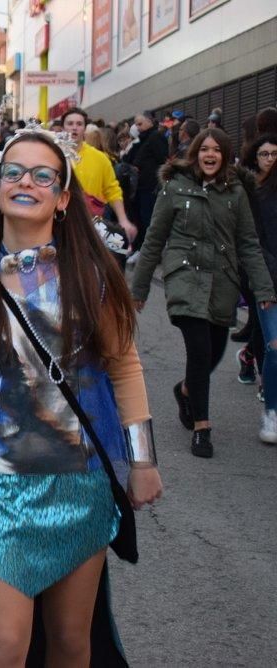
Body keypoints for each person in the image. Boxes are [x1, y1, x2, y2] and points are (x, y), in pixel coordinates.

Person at [0, 123, 162, 666]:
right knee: (3, 647)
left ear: (64, 197)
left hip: (80, 482)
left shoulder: (96, 274)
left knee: (72, 644)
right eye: (14, 171)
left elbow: (126, 366)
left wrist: (143, 461)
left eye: (43, 175)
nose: (26, 181)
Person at [131, 128, 276, 458]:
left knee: (214, 352)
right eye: (204, 149)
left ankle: (185, 390)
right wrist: (139, 289)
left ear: (225, 156)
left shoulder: (235, 192)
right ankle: (202, 428)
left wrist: (264, 287)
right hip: (184, 277)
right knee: (198, 350)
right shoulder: (175, 186)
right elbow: (154, 240)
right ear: (195, 152)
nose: (210, 155)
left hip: (223, 280)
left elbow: (249, 244)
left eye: (217, 150)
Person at [61, 107, 137, 260]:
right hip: (59, 223)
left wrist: (123, 219)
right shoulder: (53, 155)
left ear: (84, 128)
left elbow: (112, 189)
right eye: (70, 124)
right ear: (63, 127)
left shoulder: (100, 158)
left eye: (79, 124)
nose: (74, 127)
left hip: (91, 224)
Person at [248, 134, 277, 442]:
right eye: (264, 154)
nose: (270, 159)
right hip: (268, 281)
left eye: (274, 153)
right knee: (275, 347)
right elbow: (252, 241)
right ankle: (272, 412)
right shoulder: (254, 195)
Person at [124, 111, 170, 253]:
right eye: (136, 124)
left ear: (150, 122)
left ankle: (153, 250)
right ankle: (143, 248)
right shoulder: (141, 140)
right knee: (141, 219)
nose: (137, 127)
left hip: (150, 186)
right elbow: (128, 158)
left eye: (140, 124)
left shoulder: (155, 137)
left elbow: (162, 159)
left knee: (148, 219)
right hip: (140, 187)